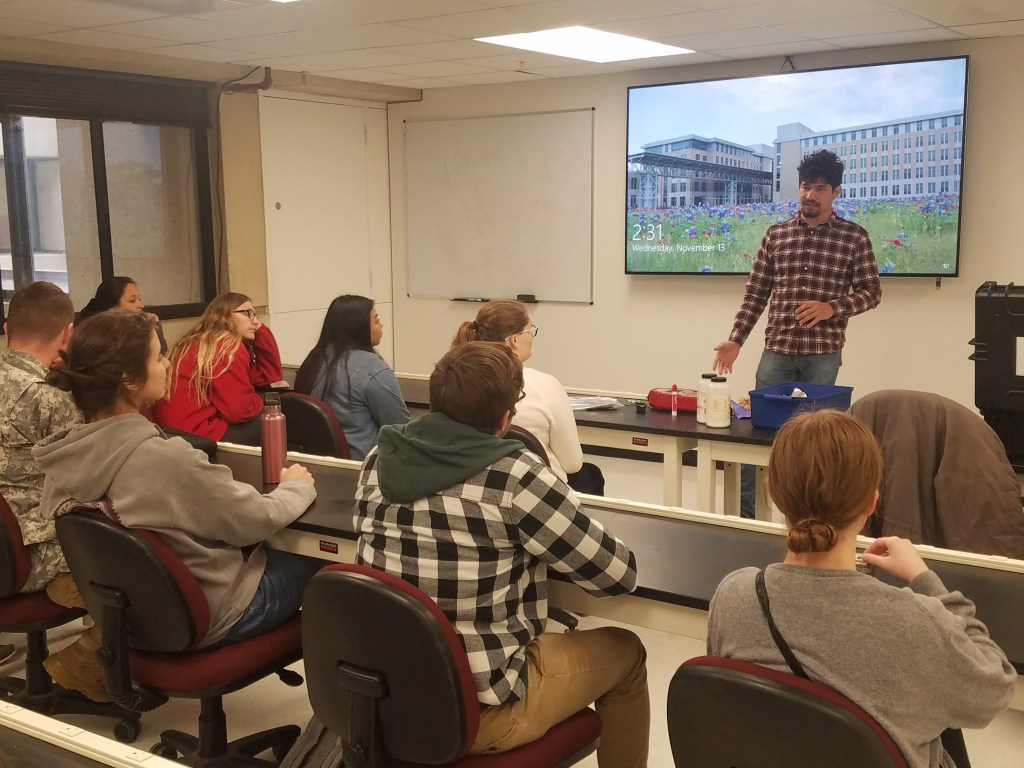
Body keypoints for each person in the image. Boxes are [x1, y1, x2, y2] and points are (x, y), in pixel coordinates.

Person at [355, 342, 649, 767]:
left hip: (386, 695)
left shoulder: (378, 459)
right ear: (506, 418)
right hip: (477, 711)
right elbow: (617, 575)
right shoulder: (515, 477)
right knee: (627, 653)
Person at [34, 310, 319, 702]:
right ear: (129, 379)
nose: (168, 364)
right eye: (158, 357)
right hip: (212, 616)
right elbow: (255, 520)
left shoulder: (65, 457)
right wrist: (296, 488)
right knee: (327, 564)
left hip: (133, 620)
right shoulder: (165, 460)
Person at [707, 409, 1015, 768]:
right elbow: (997, 687)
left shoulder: (734, 595)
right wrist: (925, 578)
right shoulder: (918, 625)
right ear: (872, 501)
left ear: (771, 492)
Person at [711, 149, 881, 518]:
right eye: (805, 186)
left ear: (836, 192)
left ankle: (810, 518)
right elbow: (756, 294)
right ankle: (747, 517)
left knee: (816, 443)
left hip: (823, 354)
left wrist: (831, 307)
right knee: (759, 437)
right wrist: (736, 339)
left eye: (820, 188)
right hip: (777, 351)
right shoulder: (776, 235)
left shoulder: (854, 237)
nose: (810, 195)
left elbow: (872, 292)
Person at [452, 300, 604, 495]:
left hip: (477, 485)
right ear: (514, 340)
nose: (532, 336)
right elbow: (572, 464)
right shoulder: (544, 385)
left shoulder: (456, 382)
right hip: (536, 491)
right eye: (530, 330)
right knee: (591, 475)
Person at [0, 282, 80, 604]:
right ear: (67, 334)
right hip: (32, 557)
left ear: (7, 330)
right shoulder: (48, 399)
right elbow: (86, 483)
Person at [153, 292, 284, 446]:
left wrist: (260, 331)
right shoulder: (227, 345)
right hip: (196, 434)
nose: (255, 321)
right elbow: (240, 411)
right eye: (247, 313)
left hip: (171, 433)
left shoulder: (201, 342)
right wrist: (257, 400)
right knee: (275, 418)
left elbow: (269, 375)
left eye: (255, 314)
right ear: (225, 315)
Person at [293, 295, 409, 460]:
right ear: (358, 327)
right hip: (362, 466)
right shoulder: (373, 369)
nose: (381, 326)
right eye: (376, 321)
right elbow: (401, 429)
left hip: (316, 464)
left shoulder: (313, 361)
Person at [78, 275, 167, 352]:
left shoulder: (131, 324)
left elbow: (159, 354)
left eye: (139, 299)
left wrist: (154, 327)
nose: (141, 305)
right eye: (132, 300)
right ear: (111, 308)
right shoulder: (95, 336)